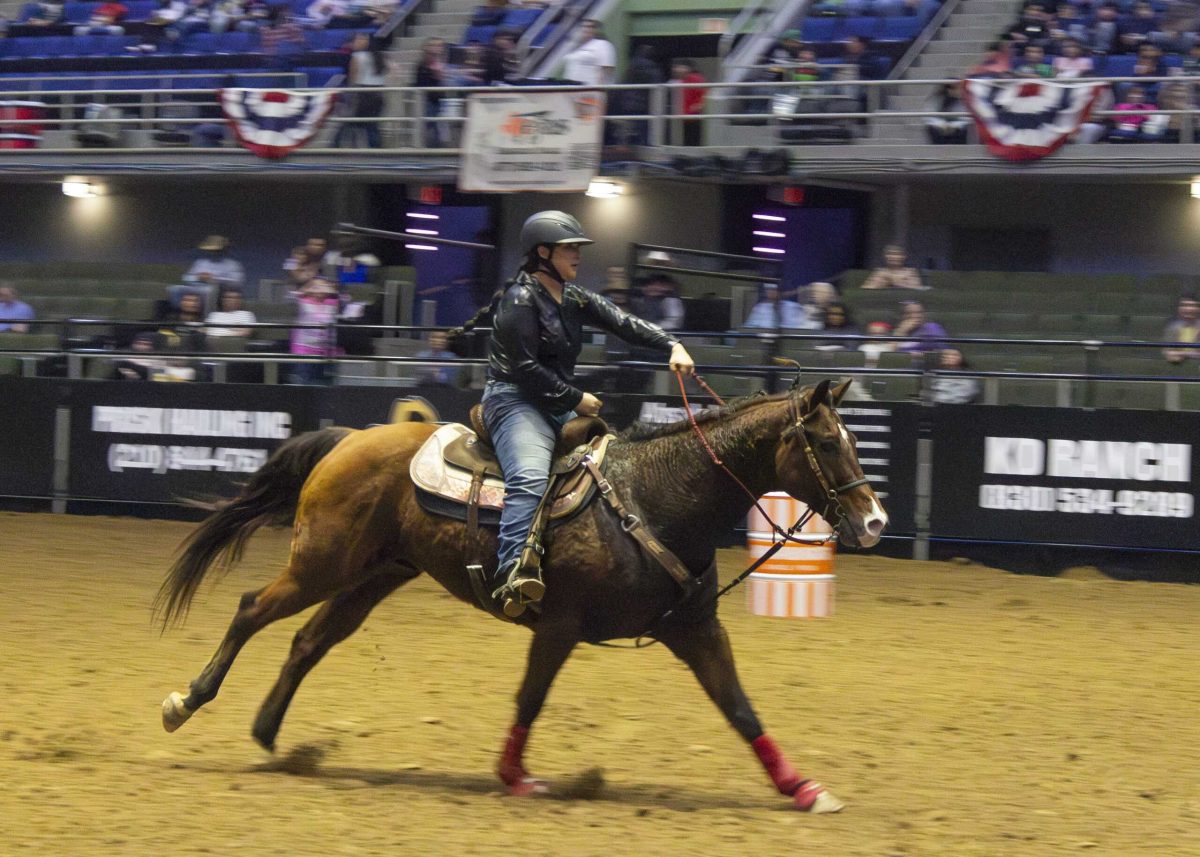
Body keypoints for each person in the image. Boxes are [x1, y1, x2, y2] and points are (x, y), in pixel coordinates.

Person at [448, 210, 694, 617]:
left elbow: (623, 322)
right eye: (570, 248)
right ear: (543, 253)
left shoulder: (574, 297)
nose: (578, 255)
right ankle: (511, 571)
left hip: (554, 402)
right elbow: (524, 368)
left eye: (578, 248)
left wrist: (672, 345)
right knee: (528, 477)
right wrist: (575, 398)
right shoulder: (519, 299)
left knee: (613, 466)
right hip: (514, 401)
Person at [335, 32, 388, 148]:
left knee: (348, 123)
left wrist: (349, 93)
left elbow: (353, 78)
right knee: (372, 125)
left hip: (362, 93)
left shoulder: (358, 56)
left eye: (359, 39)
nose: (355, 42)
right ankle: (376, 150)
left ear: (366, 41)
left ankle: (335, 147)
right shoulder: (380, 57)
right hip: (378, 93)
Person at [414, 37, 447, 147]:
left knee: (437, 124)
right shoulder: (422, 64)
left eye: (439, 45)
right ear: (427, 48)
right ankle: (428, 147)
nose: (437, 48)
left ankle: (437, 147)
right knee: (429, 124)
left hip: (439, 97)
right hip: (427, 98)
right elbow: (420, 83)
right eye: (434, 45)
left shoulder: (442, 62)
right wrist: (433, 74)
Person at [561, 19, 616, 86]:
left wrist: (601, 89)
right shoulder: (572, 45)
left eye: (590, 27)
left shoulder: (603, 44)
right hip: (570, 88)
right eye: (583, 26)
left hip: (590, 89)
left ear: (596, 29)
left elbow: (607, 71)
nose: (586, 29)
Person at [670, 58, 707, 146]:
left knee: (692, 137)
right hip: (685, 114)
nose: (676, 69)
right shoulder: (680, 80)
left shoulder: (695, 79)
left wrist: (698, 106)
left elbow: (702, 95)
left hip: (692, 114)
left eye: (679, 67)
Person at [743, 283, 812, 330]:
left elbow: (804, 329)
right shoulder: (760, 308)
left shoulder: (794, 307)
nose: (770, 292)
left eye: (774, 289)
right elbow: (748, 329)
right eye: (768, 289)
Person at [862, 244, 927, 291]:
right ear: (886, 256)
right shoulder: (880, 272)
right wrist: (881, 284)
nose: (894, 257)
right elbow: (866, 288)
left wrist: (895, 283)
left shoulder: (910, 272)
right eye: (891, 254)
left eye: (897, 254)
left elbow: (919, 289)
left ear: (903, 257)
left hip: (906, 301)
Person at [1162, 293, 1200, 363]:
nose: (1188, 309)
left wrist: (1181, 354)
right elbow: (1168, 354)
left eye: (1192, 305)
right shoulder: (1172, 328)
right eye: (1183, 305)